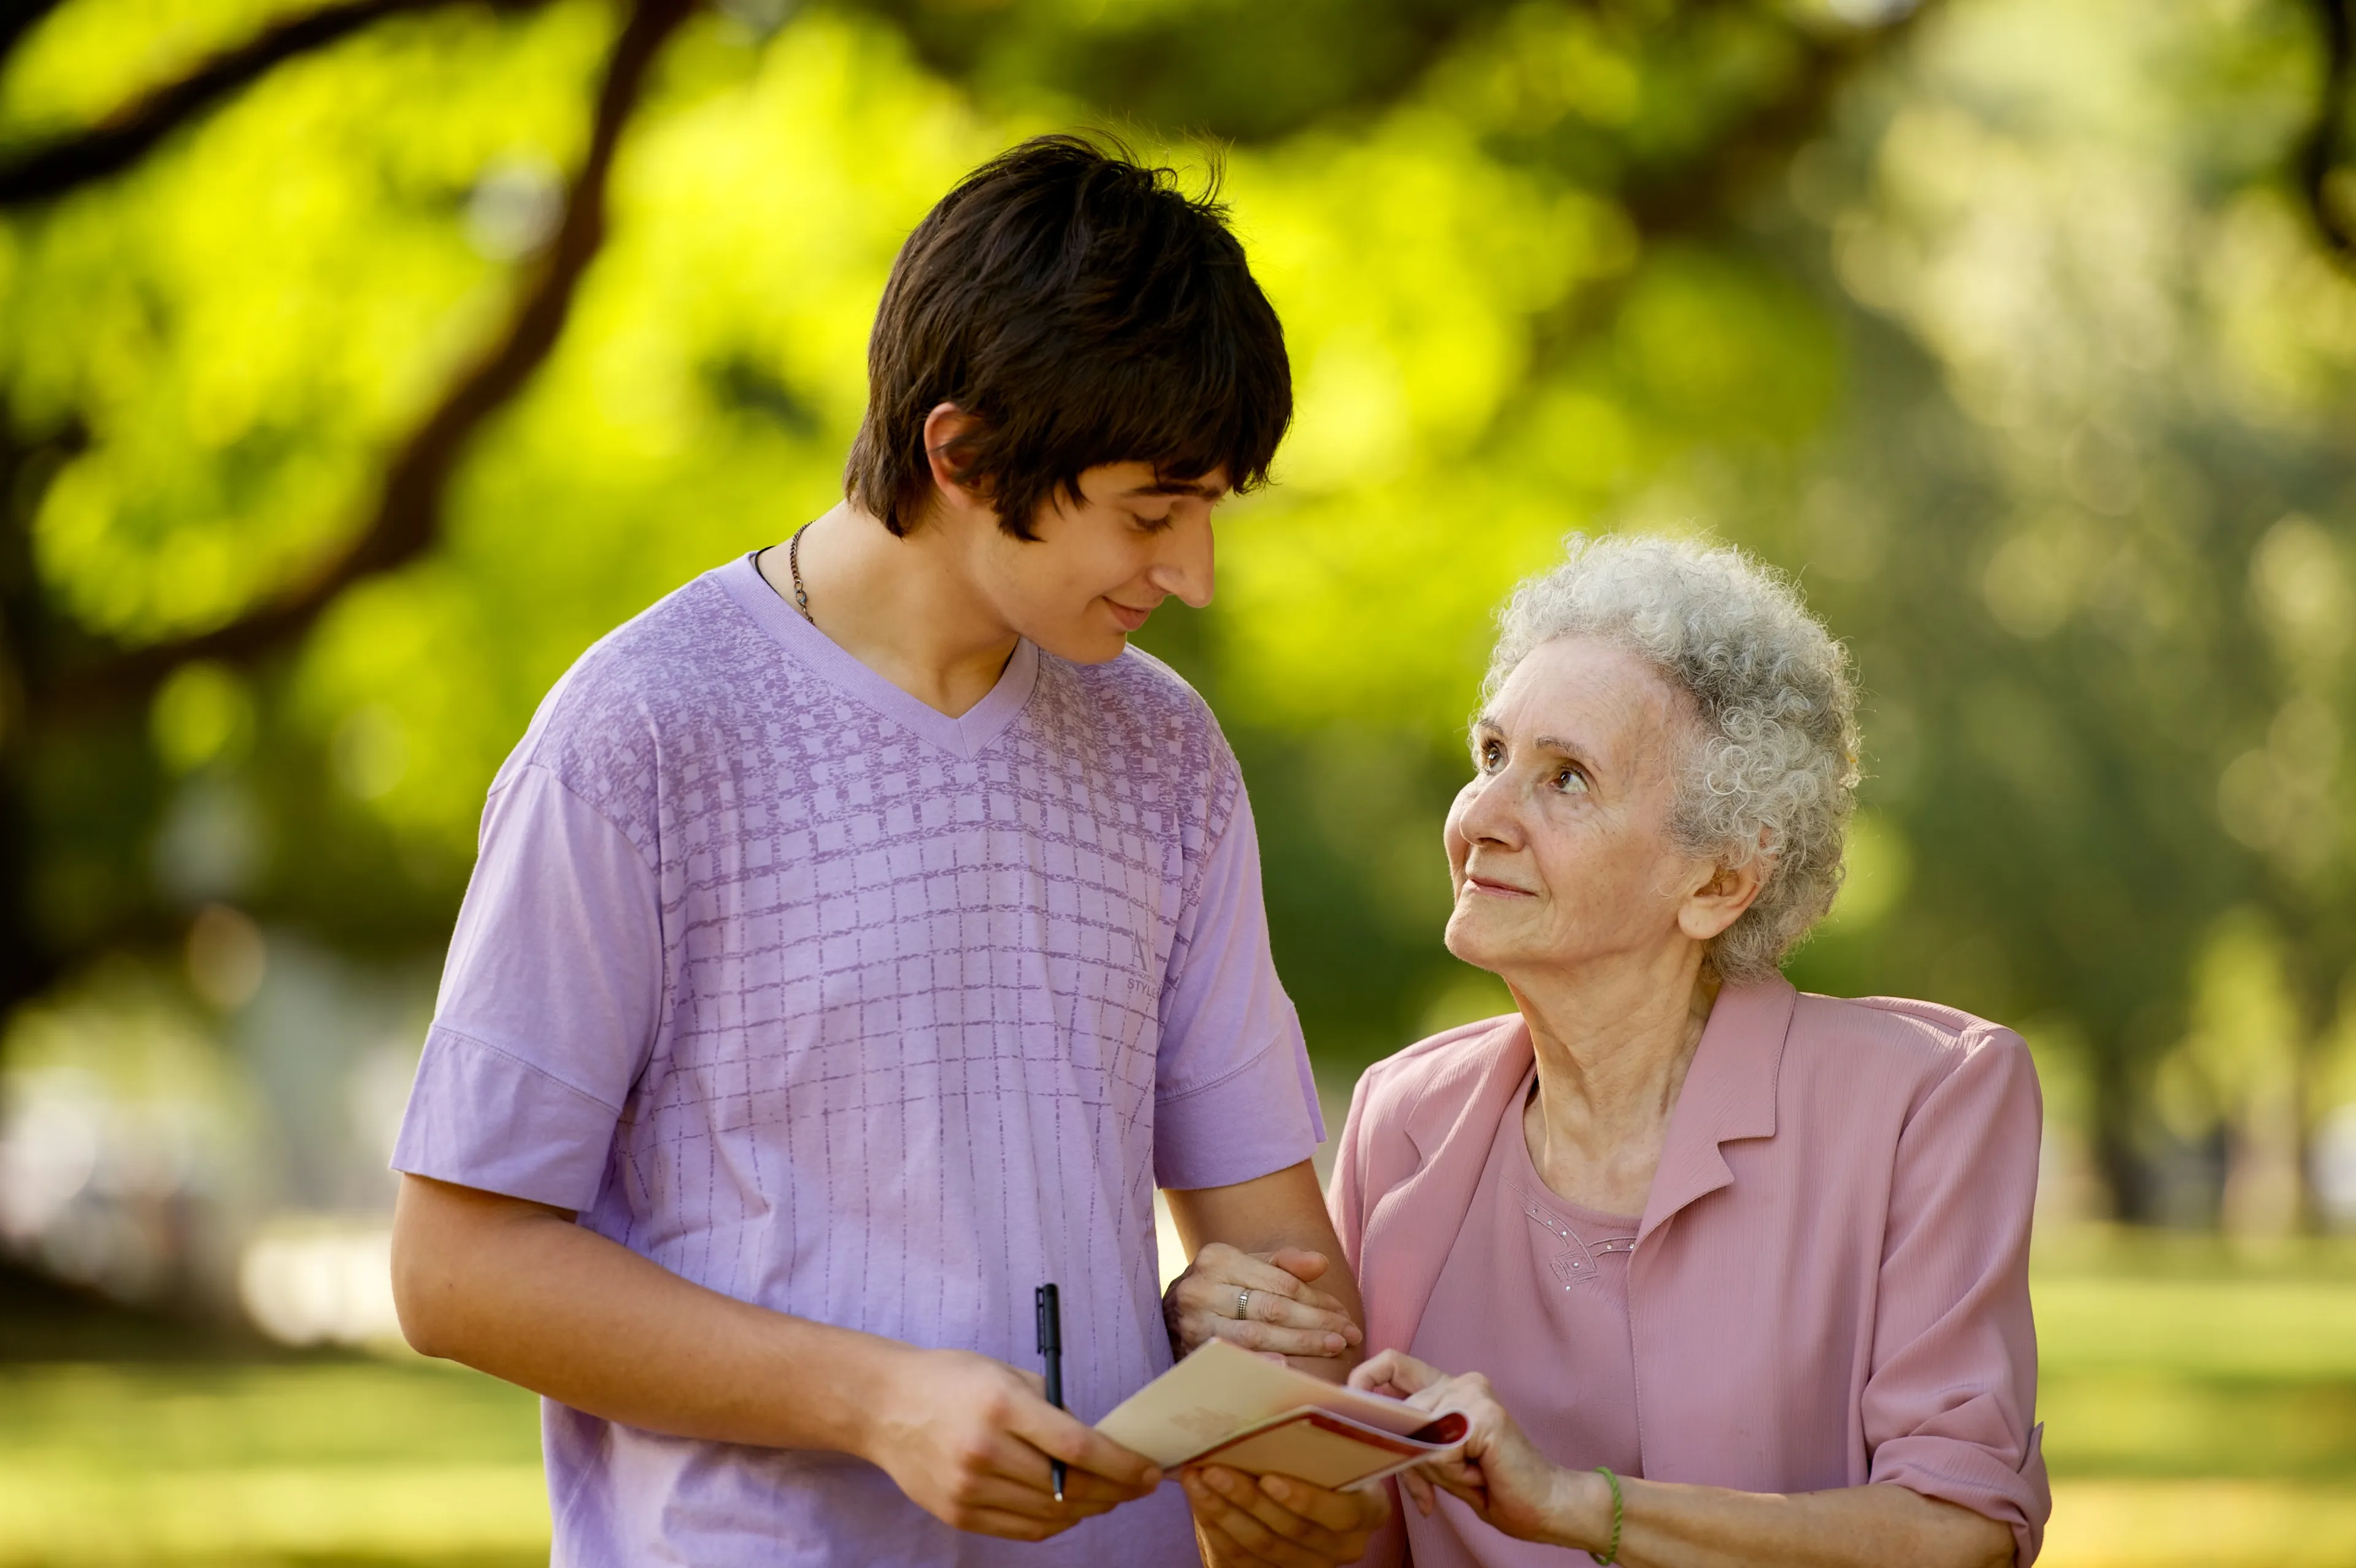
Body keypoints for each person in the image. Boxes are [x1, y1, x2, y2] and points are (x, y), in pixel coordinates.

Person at [386, 136, 1380, 1568]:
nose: (1195, 576)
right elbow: (453, 1268)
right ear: (963, 454)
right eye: (1152, 511)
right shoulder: (639, 736)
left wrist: (1254, 1328)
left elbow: (1282, 1265)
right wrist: (876, 1404)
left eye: (1212, 509)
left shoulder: (1171, 758)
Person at [1181, 534, 2049, 1567]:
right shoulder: (1405, 1117)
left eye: (1568, 780)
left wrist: (1576, 1505)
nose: (1481, 818)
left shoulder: (1925, 1102)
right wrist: (1241, 1428)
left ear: (1720, 880)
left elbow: (1962, 1536)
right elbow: (1354, 1544)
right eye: (1493, 756)